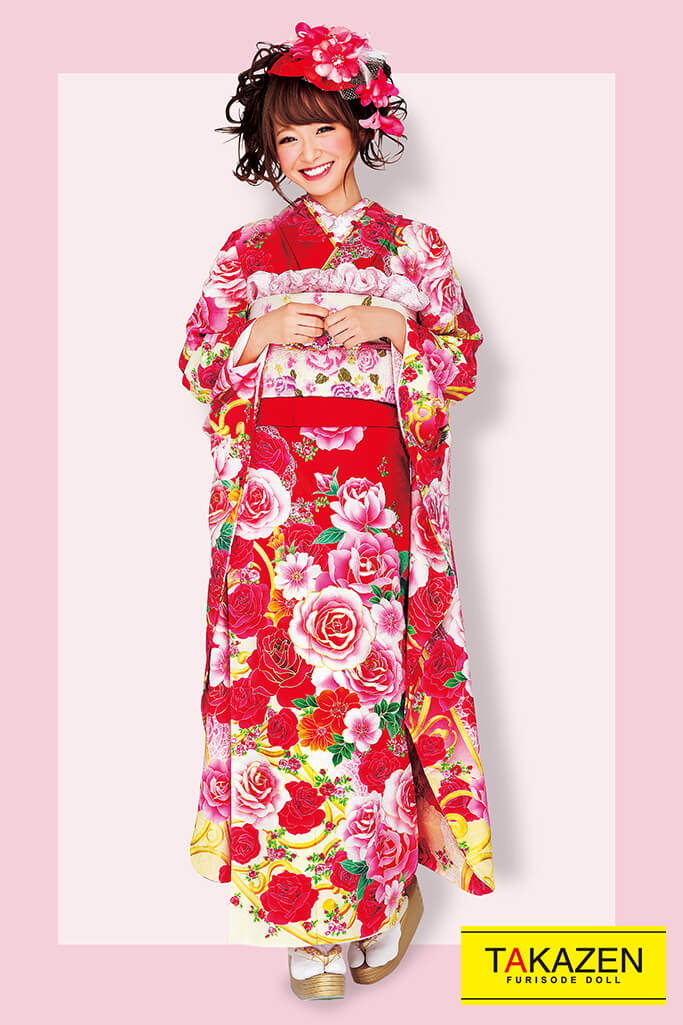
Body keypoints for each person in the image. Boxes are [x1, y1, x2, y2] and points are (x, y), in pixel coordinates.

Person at [179, 20, 495, 1001]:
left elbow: (460, 364)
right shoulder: (249, 251)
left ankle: (380, 893)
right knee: (282, 708)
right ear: (268, 150)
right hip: (274, 521)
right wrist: (260, 331)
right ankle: (301, 922)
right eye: (286, 138)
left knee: (367, 702)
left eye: (321, 128)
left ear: (361, 126)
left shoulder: (413, 247)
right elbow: (196, 365)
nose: (307, 153)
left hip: (368, 521)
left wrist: (397, 325)